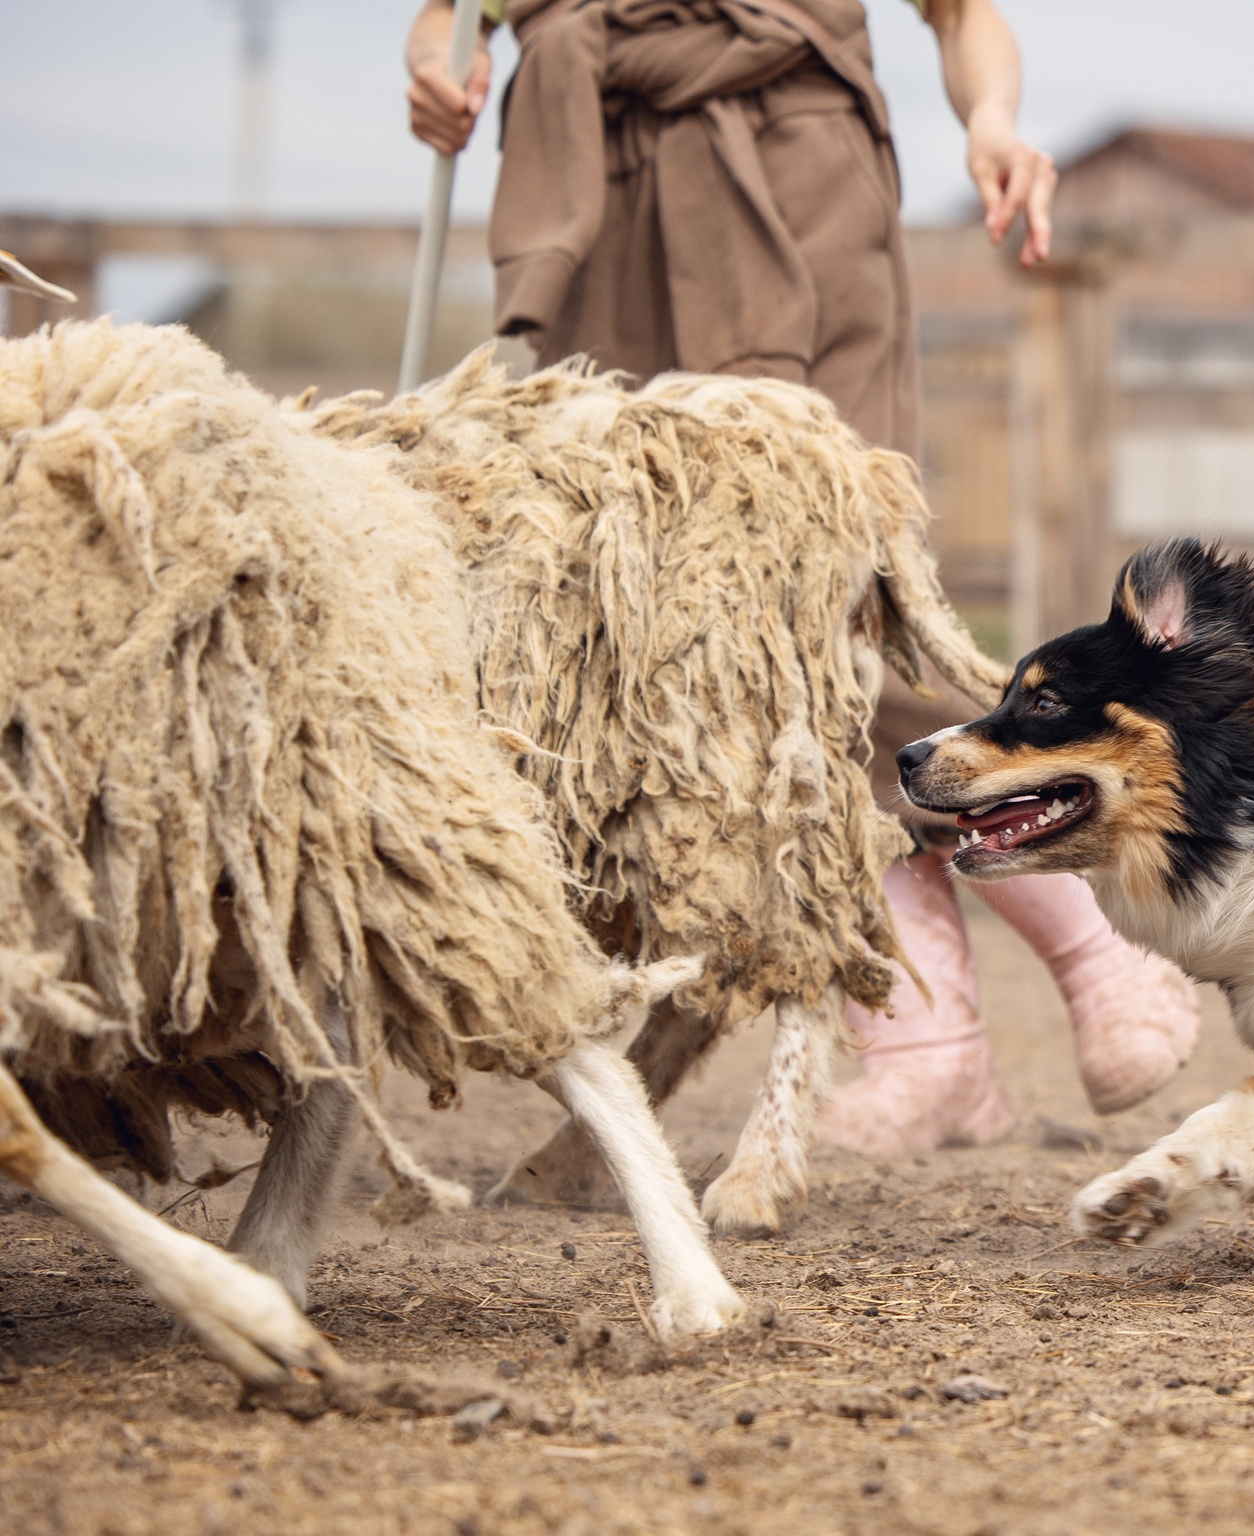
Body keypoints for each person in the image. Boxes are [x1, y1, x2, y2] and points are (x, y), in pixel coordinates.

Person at [404, 0, 1199, 1153]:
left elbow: (961, 12)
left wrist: (992, 119)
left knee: (835, 600)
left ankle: (1085, 943)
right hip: (604, 192)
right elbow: (446, 19)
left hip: (801, 172)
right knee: (698, 648)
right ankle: (929, 1038)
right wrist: (440, 67)